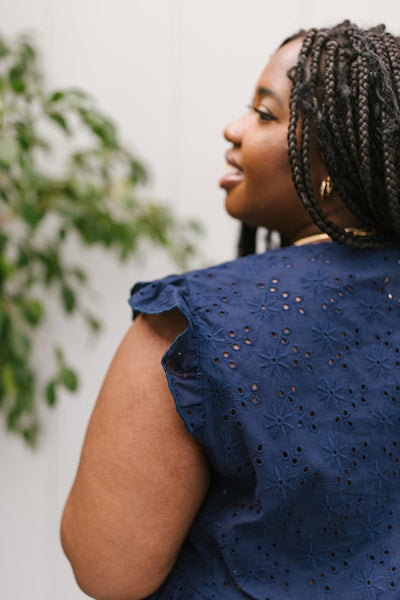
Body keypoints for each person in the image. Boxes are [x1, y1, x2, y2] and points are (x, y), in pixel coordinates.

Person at [61, 21, 400, 599]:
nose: (234, 128)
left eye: (266, 114)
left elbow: (107, 568)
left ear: (331, 163)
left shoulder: (194, 323)